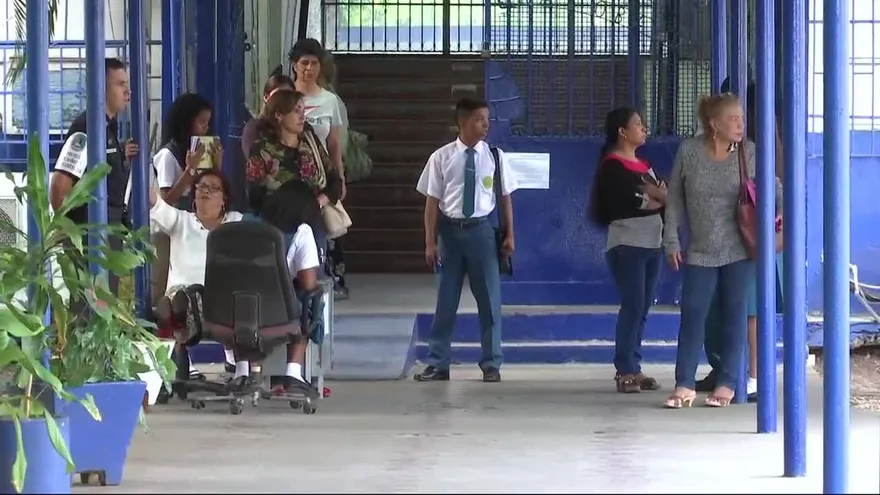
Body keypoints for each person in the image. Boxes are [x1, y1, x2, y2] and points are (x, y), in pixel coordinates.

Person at [662, 93, 782, 409]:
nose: (741, 124)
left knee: (734, 314)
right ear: (714, 124)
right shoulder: (689, 151)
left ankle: (729, 382)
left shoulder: (749, 153)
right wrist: (671, 239)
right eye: (733, 119)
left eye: (742, 118)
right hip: (699, 250)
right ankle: (684, 383)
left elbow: (775, 187)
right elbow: (674, 197)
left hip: (738, 249)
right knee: (693, 315)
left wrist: (779, 211)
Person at [413, 97, 518, 383]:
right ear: (462, 123)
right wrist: (430, 242)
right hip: (450, 233)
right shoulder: (442, 157)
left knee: (489, 301)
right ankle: (438, 363)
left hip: (482, 233)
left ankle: (491, 363)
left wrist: (509, 234)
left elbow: (505, 198)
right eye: (478, 120)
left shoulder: (495, 157)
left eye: (487, 120)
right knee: (445, 301)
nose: (485, 125)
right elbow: (432, 203)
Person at [697, 78, 785, 402]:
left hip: (749, 236)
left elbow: (774, 186)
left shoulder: (754, 143)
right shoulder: (757, 138)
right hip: (741, 235)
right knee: (735, 306)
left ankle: (753, 375)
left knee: (749, 308)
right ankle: (732, 369)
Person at [588, 107, 664, 393]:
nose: (644, 129)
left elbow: (661, 197)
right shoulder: (612, 165)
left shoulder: (645, 166)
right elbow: (629, 202)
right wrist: (655, 197)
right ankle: (624, 370)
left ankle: (636, 365)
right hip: (627, 245)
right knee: (632, 305)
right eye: (638, 125)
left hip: (653, 242)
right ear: (622, 131)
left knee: (642, 307)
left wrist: (655, 197)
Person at [49, 57, 138, 296]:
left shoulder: (107, 127)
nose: (127, 90)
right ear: (102, 87)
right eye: (120, 84)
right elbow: (59, 186)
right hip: (91, 236)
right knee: (87, 307)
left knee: (103, 306)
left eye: (127, 83)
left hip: (108, 231)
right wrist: (72, 231)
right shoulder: (86, 128)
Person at [150, 170, 243, 384]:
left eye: (213, 188)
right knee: (181, 300)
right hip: (182, 297)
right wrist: (136, 164)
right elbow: (154, 202)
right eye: (201, 187)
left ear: (224, 199)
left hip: (224, 297)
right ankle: (184, 348)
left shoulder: (236, 222)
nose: (205, 192)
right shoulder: (180, 220)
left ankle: (240, 368)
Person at [290, 38, 349, 299]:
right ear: (294, 66)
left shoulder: (330, 102)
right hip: (290, 180)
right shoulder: (284, 97)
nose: (309, 68)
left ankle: (325, 284)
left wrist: (340, 177)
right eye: (304, 63)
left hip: (322, 180)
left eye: (314, 63)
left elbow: (334, 143)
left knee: (323, 232)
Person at [245, 89, 343, 238]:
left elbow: (335, 181)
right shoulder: (261, 149)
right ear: (279, 115)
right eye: (296, 111)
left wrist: (317, 204)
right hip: (277, 228)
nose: (302, 116)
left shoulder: (311, 143)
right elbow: (254, 197)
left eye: (303, 110)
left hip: (312, 224)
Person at [241, 74, 296, 157]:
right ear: (266, 97)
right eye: (278, 96)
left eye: (289, 96)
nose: (284, 101)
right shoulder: (254, 129)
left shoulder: (302, 127)